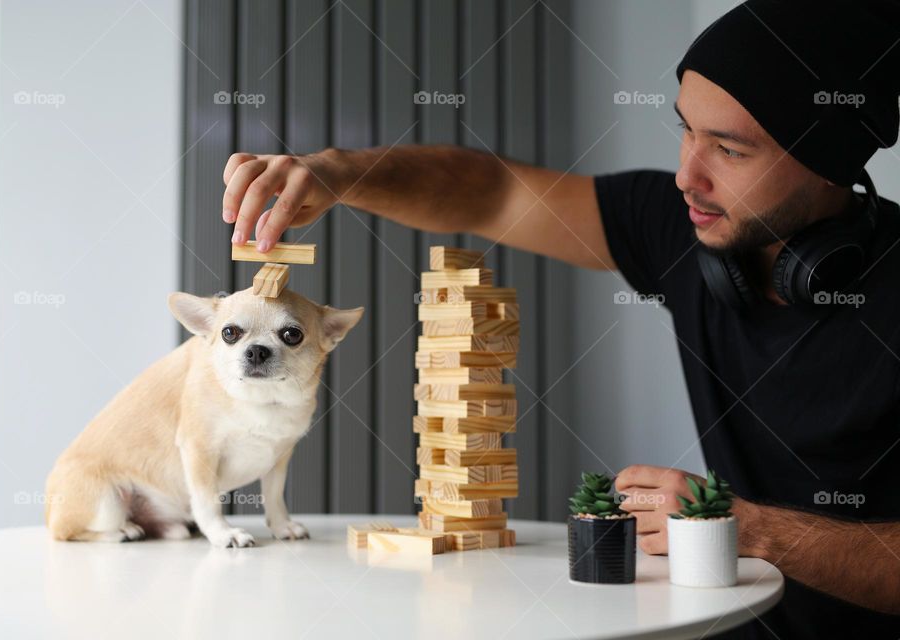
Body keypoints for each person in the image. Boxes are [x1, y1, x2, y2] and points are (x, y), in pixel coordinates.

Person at [220, 1, 900, 637]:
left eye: (728, 149)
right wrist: (337, 172)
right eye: (685, 129)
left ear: (827, 165)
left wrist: (750, 531)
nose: (686, 176)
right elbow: (491, 194)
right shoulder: (678, 231)